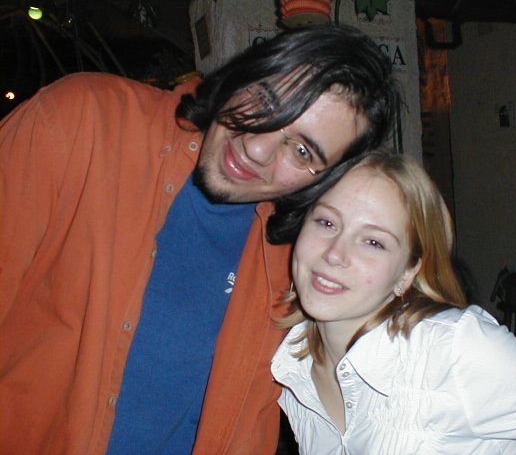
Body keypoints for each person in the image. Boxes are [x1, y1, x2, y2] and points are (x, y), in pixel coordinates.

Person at [0, 25, 401, 454]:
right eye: (265, 101)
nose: (256, 149)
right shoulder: (83, 121)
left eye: (302, 151)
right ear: (244, 72)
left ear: (324, 181)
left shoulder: (305, 259)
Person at [271, 149, 516, 454]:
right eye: (326, 222)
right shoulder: (291, 365)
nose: (335, 254)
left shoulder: (455, 351)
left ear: (407, 273)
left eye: (373, 242)